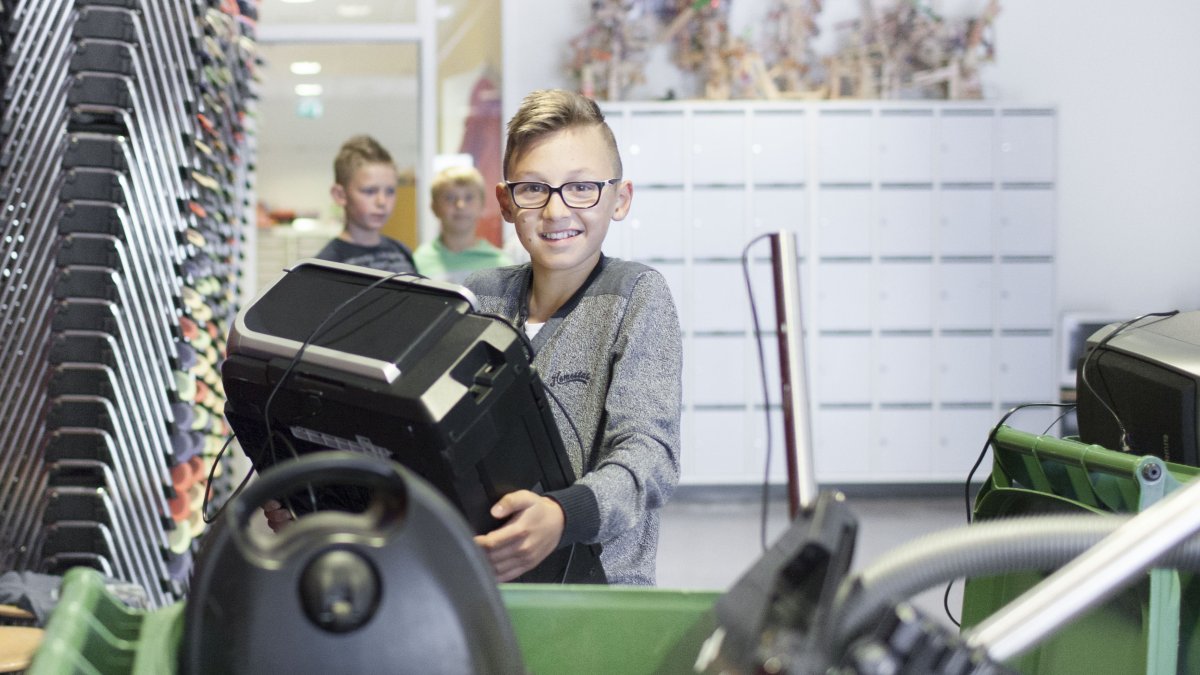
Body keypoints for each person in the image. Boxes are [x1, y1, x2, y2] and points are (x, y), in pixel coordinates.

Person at [464, 88, 682, 586]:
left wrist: (564, 516)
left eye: (581, 187)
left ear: (620, 199)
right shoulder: (478, 299)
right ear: (505, 201)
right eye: (533, 188)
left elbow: (649, 454)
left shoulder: (637, 296)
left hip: (596, 595)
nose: (556, 211)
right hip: (486, 586)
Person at [314, 135, 418, 275]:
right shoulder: (324, 267)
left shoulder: (401, 253)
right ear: (340, 195)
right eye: (370, 191)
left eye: (390, 191)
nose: (382, 202)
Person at [412, 166, 512, 284]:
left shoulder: (502, 265)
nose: (460, 205)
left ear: (482, 205)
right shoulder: (417, 262)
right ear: (434, 207)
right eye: (449, 198)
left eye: (469, 198)